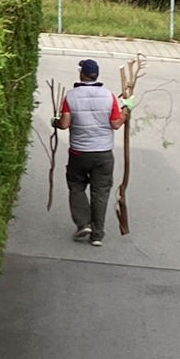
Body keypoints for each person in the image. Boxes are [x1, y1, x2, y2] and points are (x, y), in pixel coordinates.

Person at [53, 57, 128, 246]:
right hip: (103, 153)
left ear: (82, 74)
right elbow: (116, 124)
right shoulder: (109, 96)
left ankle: (83, 223)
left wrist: (55, 121)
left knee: (76, 186)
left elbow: (64, 124)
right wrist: (127, 111)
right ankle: (97, 235)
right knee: (100, 192)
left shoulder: (70, 96)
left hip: (79, 152)